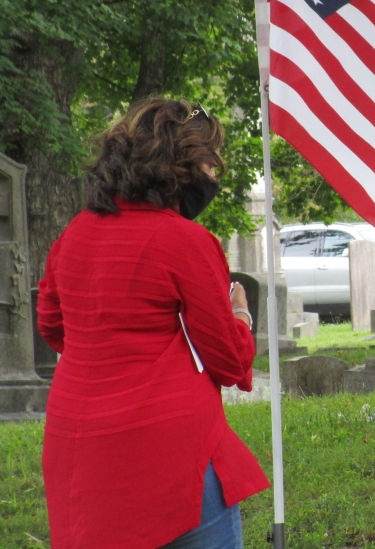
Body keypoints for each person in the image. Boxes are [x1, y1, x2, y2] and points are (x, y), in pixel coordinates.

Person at [37, 98, 270, 549]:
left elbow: (52, 325)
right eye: (209, 164)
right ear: (181, 167)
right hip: (172, 455)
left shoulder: (74, 234)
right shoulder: (185, 241)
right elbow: (227, 359)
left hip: (81, 454)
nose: (213, 177)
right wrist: (240, 313)